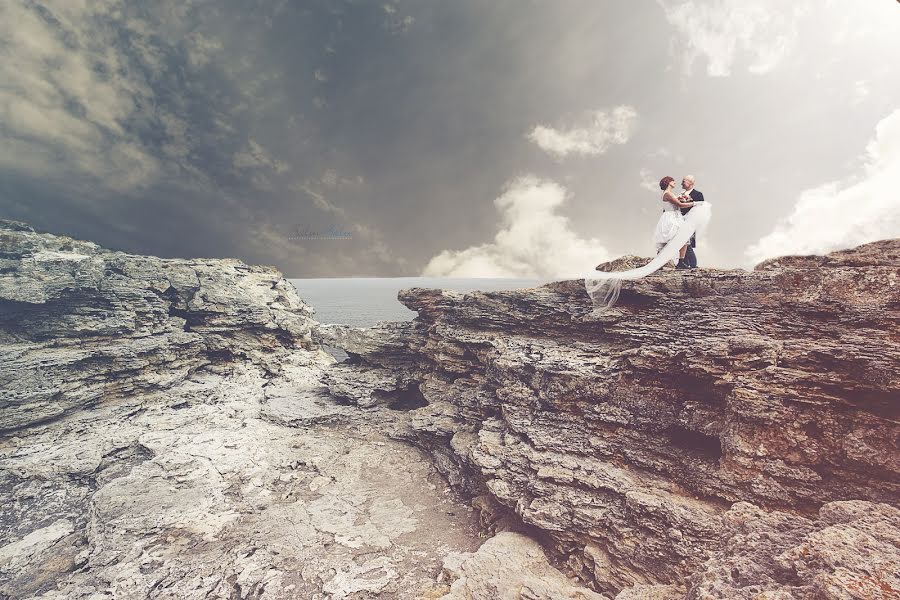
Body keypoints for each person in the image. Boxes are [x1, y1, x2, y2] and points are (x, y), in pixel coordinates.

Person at [654, 176, 695, 269]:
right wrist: (694, 203)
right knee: (673, 238)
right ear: (668, 182)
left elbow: (676, 202)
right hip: (672, 217)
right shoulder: (668, 193)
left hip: (672, 216)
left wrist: (682, 198)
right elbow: (680, 205)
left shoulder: (668, 193)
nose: (675, 183)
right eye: (673, 181)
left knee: (679, 238)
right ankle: (679, 262)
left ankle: (678, 262)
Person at [679, 175, 705, 269]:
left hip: (691, 221)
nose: (681, 183)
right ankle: (686, 263)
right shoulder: (681, 194)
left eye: (684, 181)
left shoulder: (698, 194)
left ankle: (692, 264)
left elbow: (701, 209)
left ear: (691, 183)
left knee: (686, 242)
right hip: (680, 221)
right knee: (683, 241)